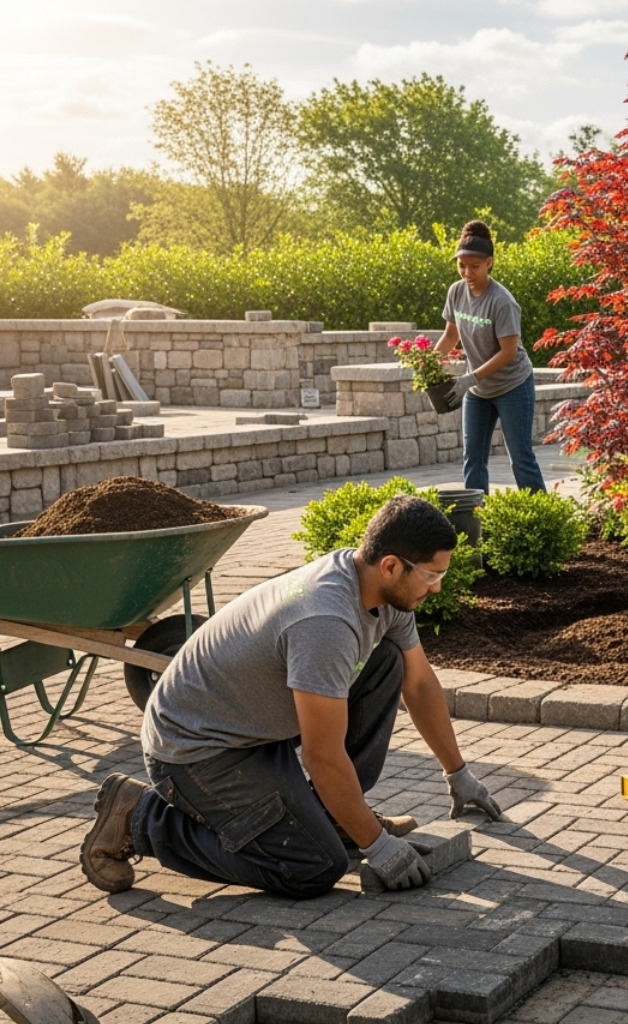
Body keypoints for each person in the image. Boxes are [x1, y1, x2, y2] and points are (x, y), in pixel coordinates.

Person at [80, 496, 505, 899]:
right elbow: (321, 755)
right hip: (197, 750)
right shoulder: (326, 621)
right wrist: (377, 846)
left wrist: (458, 773)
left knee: (388, 664)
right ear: (391, 565)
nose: (436, 588)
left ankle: (333, 819)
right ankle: (140, 818)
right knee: (311, 867)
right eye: (432, 575)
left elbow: (419, 683)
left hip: (253, 730)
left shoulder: (376, 586)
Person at [435, 219, 546, 494]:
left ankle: (545, 522)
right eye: (462, 265)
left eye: (475, 266)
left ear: (489, 263)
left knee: (520, 458)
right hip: (478, 389)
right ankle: (476, 523)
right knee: (472, 459)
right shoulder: (456, 292)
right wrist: (425, 362)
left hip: (513, 386)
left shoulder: (502, 301)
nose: (467, 272)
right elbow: (451, 335)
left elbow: (508, 352)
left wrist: (467, 378)